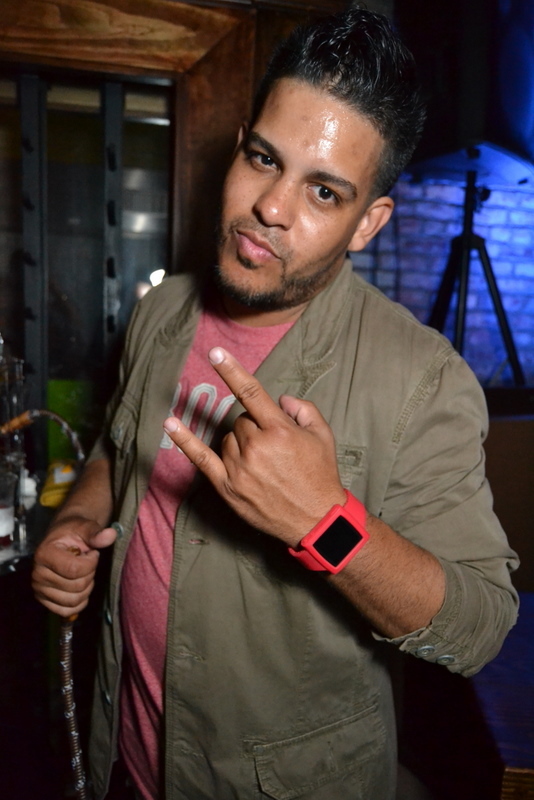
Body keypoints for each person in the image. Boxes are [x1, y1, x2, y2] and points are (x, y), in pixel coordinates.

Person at [32, 6, 519, 800]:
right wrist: (78, 523)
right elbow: (117, 450)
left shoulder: (421, 377)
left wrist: (324, 521)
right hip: (127, 757)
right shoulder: (164, 308)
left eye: (324, 191)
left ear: (368, 224)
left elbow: (479, 629)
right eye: (264, 159)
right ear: (239, 146)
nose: (271, 207)